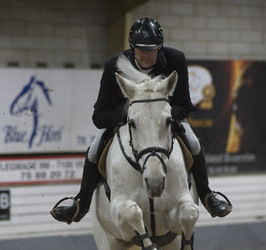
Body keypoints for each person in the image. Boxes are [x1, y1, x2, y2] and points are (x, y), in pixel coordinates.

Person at [51, 17, 232, 224]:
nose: (145, 55)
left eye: (152, 49)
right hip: (127, 121)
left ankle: (208, 196)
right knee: (94, 149)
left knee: (194, 143)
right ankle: (80, 204)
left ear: (160, 48)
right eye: (140, 49)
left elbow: (185, 105)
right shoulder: (115, 65)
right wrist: (129, 113)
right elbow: (99, 116)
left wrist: (162, 114)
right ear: (132, 48)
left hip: (164, 120)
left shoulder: (175, 60)